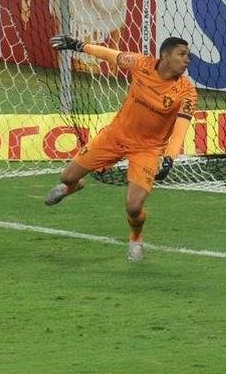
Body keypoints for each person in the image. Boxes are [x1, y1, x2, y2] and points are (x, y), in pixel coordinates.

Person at [44, 35, 197, 262]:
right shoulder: (141, 64)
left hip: (148, 149)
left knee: (134, 207)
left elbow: (181, 128)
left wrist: (169, 158)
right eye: (182, 55)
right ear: (165, 56)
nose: (187, 61)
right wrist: (79, 45)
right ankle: (71, 188)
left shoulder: (187, 92)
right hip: (115, 136)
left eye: (188, 56)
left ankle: (136, 238)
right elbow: (110, 55)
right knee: (66, 177)